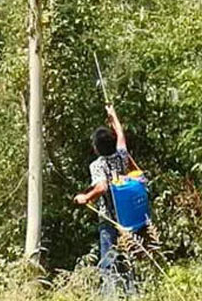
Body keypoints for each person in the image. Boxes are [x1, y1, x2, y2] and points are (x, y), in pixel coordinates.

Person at [74, 104, 134, 296]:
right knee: (126, 257)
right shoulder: (122, 156)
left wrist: (85, 198)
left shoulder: (98, 165)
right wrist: (113, 115)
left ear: (97, 148)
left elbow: (102, 187)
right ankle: (132, 293)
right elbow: (121, 135)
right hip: (126, 217)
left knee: (109, 259)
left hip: (109, 219)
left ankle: (109, 296)